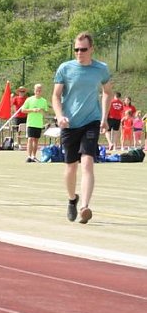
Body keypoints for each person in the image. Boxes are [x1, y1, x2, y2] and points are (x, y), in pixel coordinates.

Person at [52, 31, 112, 225]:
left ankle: (85, 207)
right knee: (71, 167)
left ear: (91, 49)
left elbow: (107, 92)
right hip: (69, 123)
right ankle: (72, 199)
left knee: (87, 163)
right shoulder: (65, 68)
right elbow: (55, 95)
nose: (79, 53)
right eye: (76, 49)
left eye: (83, 49)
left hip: (91, 121)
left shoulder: (101, 69)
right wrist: (60, 115)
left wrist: (104, 117)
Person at [22, 83, 49, 162]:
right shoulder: (29, 99)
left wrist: (41, 111)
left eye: (40, 90)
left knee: (36, 140)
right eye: (37, 90)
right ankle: (29, 156)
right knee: (30, 139)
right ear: (34, 90)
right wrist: (32, 110)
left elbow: (45, 112)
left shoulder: (44, 101)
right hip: (30, 123)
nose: (38, 92)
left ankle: (33, 156)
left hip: (38, 123)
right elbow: (23, 110)